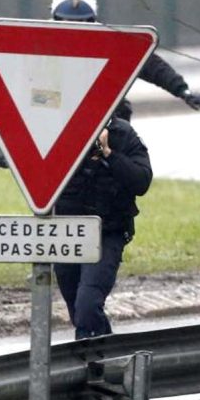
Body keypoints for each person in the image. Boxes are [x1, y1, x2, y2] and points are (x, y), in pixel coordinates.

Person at [53, 118, 153, 338]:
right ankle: (105, 356)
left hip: (107, 233)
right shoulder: (61, 128)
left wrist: (108, 153)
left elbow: (142, 181)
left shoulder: (122, 133)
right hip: (66, 232)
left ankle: (96, 366)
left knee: (87, 305)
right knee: (78, 311)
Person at [50, 0, 200, 117]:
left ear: (92, 20)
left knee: (131, 151)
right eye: (67, 22)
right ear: (56, 19)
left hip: (107, 124)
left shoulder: (109, 44)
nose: (75, 29)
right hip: (52, 120)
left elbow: (151, 65)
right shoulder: (35, 44)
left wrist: (182, 91)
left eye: (82, 22)